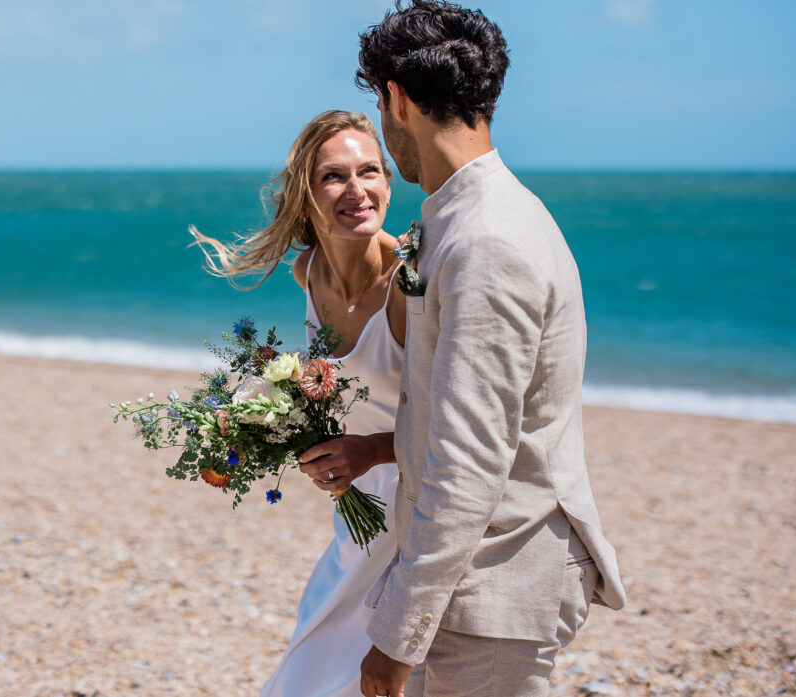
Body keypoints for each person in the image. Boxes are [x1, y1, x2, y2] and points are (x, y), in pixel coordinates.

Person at [351, 3, 628, 697]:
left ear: (397, 98)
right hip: (470, 584)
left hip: (495, 589)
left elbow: (471, 456)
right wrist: (382, 445)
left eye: (382, 110)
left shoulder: (486, 240)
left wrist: (397, 637)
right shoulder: (461, 218)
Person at [191, 110, 419, 697]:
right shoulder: (308, 269)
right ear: (306, 197)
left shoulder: (409, 289)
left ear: (390, 184)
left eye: (370, 171)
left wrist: (370, 449)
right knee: (312, 662)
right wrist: (276, 425)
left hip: (419, 506)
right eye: (333, 177)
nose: (357, 189)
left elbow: (459, 424)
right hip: (359, 510)